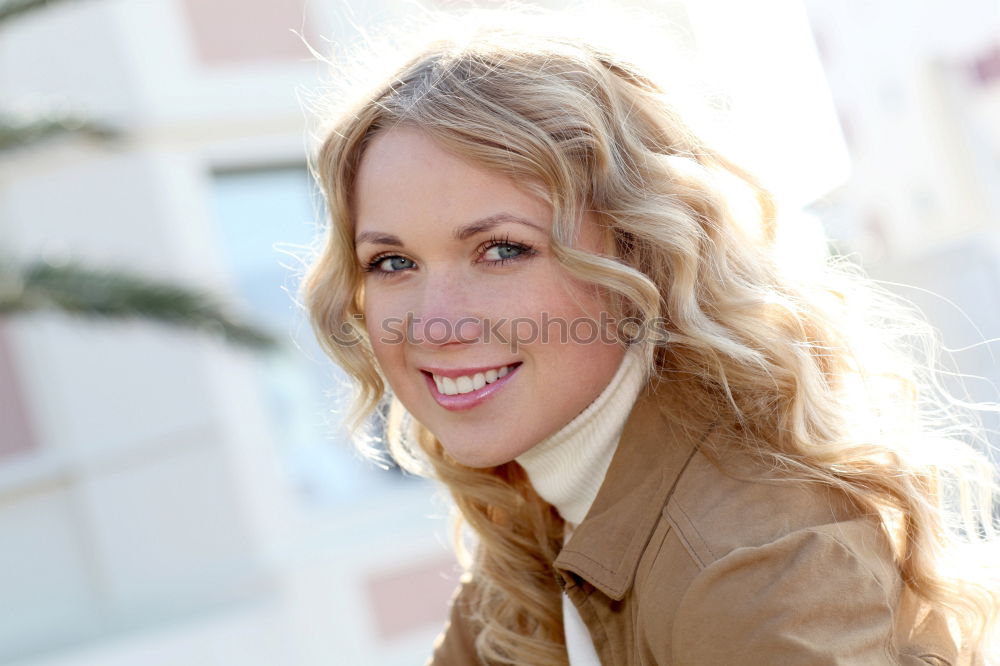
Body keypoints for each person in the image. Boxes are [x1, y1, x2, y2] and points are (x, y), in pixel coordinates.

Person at [301, 10, 1000, 665]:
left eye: (502, 250)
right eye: (392, 263)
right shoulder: (537, 519)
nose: (433, 324)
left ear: (640, 253)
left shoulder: (752, 560)